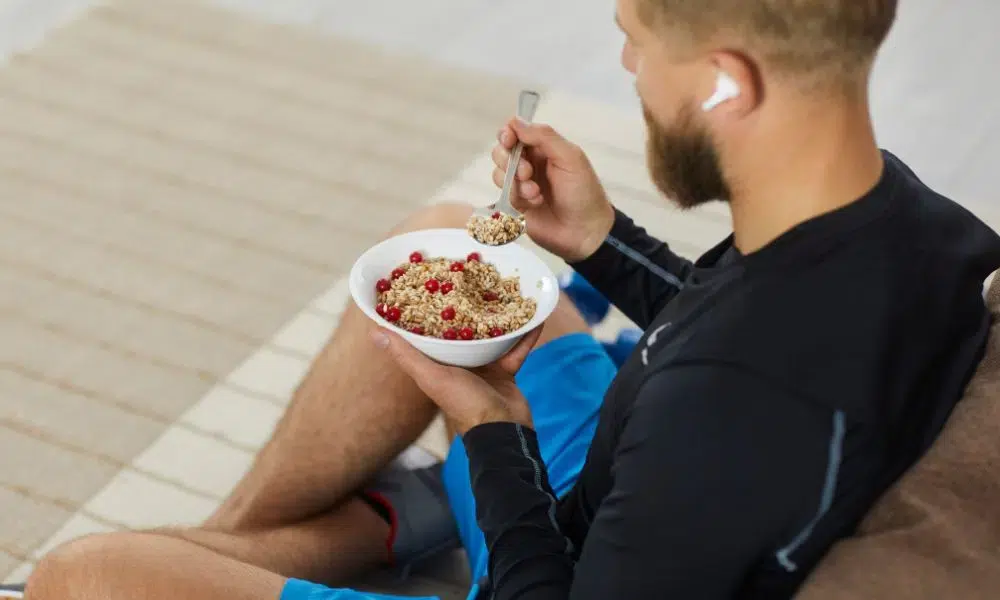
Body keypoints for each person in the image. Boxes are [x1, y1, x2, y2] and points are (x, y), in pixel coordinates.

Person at [14, 0, 1000, 598]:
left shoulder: (730, 412)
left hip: (559, 558)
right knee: (444, 235)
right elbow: (723, 317)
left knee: (79, 579)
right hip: (625, 475)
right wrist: (601, 240)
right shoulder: (915, 225)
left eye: (635, 41)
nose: (626, 70)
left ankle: (373, 521)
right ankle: (300, 531)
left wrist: (487, 432)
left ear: (723, 84)